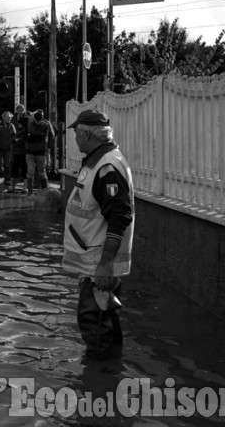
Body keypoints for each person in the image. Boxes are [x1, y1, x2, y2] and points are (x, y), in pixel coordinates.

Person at [63, 109, 134, 362]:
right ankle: (106, 379)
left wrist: (105, 265)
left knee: (95, 324)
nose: (74, 138)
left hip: (99, 265)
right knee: (102, 324)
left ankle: (98, 387)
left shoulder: (106, 167)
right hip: (94, 262)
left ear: (87, 133)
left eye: (75, 132)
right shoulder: (97, 161)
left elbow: (120, 216)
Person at [24, 109, 54, 196]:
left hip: (41, 151)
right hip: (30, 151)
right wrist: (37, 137)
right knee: (31, 170)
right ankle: (30, 192)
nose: (37, 122)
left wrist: (32, 136)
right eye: (36, 120)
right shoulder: (30, 123)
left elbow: (48, 137)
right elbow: (26, 136)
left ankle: (44, 192)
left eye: (39, 120)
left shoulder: (46, 124)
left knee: (41, 172)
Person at [0, 111, 16, 188]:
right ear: (3, 117)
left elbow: (14, 134)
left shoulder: (11, 125)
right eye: (8, 117)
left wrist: (12, 140)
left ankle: (6, 180)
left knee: (7, 164)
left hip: (8, 148)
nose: (9, 119)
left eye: (10, 117)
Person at [10, 113, 28, 192]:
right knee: (22, 170)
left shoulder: (24, 131)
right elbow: (15, 139)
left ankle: (13, 187)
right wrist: (15, 140)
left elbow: (18, 141)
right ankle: (23, 187)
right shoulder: (23, 130)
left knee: (17, 170)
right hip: (21, 153)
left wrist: (15, 140)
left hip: (21, 153)